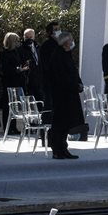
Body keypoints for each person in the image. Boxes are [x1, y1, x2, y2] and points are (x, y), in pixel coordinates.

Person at [46, 32, 84, 160]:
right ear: (65, 42)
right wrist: (74, 85)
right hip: (61, 96)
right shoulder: (58, 56)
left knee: (66, 124)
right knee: (59, 123)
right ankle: (57, 149)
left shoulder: (67, 55)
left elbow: (73, 73)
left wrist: (79, 84)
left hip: (69, 94)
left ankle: (63, 148)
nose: (73, 41)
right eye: (71, 39)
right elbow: (61, 77)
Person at [0, 32, 28, 135]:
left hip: (17, 81)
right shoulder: (4, 53)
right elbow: (5, 69)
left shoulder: (17, 52)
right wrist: (18, 70)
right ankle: (8, 127)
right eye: (16, 40)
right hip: (8, 82)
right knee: (8, 106)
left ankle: (14, 127)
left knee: (15, 105)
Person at [19, 28, 43, 102]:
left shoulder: (38, 47)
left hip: (40, 80)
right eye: (26, 37)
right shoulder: (20, 49)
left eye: (31, 37)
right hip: (28, 80)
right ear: (23, 37)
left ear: (34, 37)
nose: (29, 39)